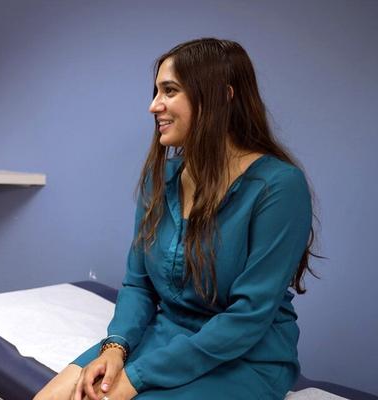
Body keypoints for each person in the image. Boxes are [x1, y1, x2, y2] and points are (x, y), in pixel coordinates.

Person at [35, 38, 316, 400]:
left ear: (221, 96)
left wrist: (137, 377)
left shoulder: (278, 187)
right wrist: (116, 348)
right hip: (164, 335)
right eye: (156, 91)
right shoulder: (160, 180)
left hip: (245, 356)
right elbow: (138, 285)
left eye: (170, 91)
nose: (154, 106)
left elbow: (248, 318)